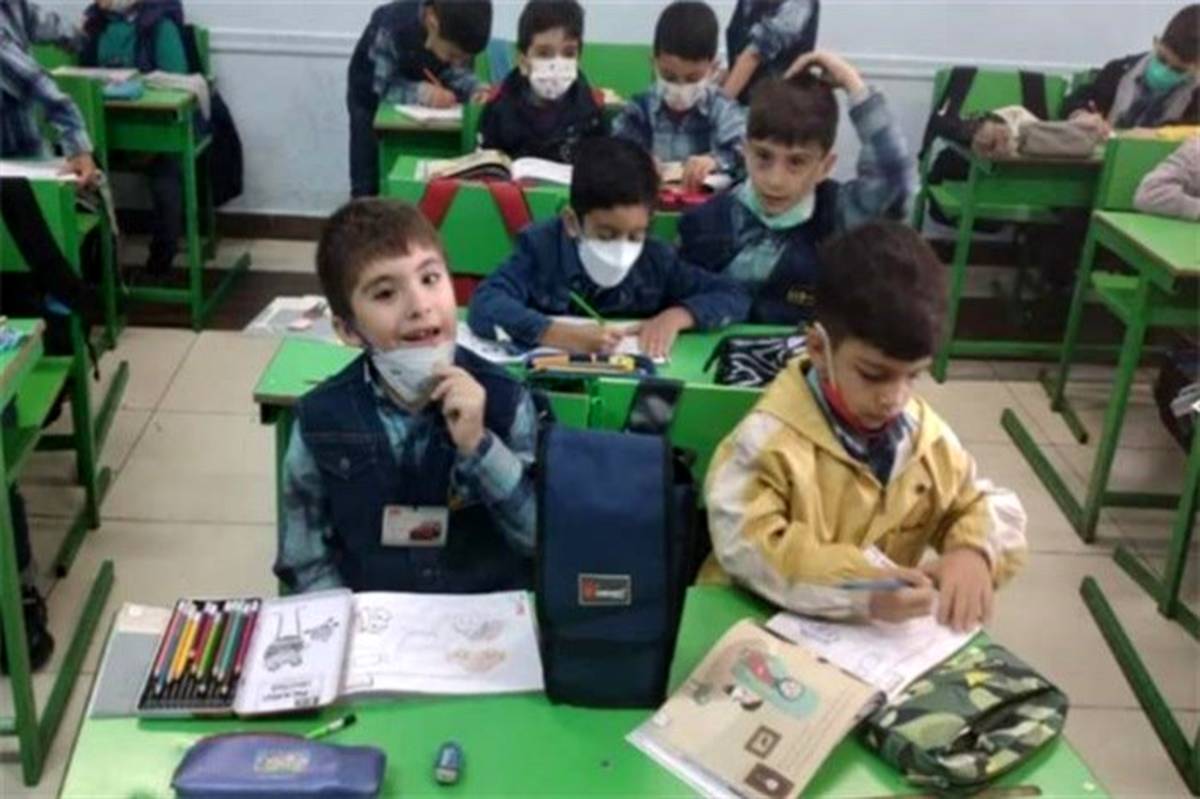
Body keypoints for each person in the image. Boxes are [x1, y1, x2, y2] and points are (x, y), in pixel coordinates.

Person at [702, 221, 1028, 632]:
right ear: (818, 348)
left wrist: (975, 552)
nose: (895, 398)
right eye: (874, 375)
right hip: (756, 625)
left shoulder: (925, 439)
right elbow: (748, 546)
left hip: (870, 643)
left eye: (913, 376)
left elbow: (980, 502)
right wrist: (861, 589)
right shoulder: (764, 441)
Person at [275, 198, 537, 593]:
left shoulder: (506, 401)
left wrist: (479, 446)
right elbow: (305, 561)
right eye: (385, 294)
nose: (420, 305)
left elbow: (540, 540)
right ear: (348, 330)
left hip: (482, 620)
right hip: (371, 619)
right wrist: (347, 621)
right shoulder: (320, 420)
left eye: (430, 279)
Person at [678, 51, 913, 324]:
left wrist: (852, 83)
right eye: (763, 156)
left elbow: (895, 182)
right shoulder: (705, 223)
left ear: (825, 166)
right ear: (745, 151)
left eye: (797, 162)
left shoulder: (839, 217)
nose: (775, 180)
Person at [467, 136, 750, 360]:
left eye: (635, 236)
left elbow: (734, 295)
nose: (621, 251)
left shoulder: (656, 260)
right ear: (572, 222)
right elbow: (486, 303)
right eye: (606, 236)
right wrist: (555, 333)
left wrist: (678, 316)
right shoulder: (541, 250)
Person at [346, 0, 492, 197]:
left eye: (464, 59)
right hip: (369, 96)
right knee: (367, 180)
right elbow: (382, 87)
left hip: (419, 106)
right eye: (452, 55)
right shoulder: (392, 28)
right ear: (432, 23)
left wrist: (475, 88)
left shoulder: (452, 33)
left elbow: (454, 71)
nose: (458, 63)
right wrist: (422, 93)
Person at [612, 0, 746, 191]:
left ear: (713, 68)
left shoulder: (722, 108)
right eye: (669, 76)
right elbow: (616, 150)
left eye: (692, 78)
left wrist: (714, 161)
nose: (680, 88)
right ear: (653, 63)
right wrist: (639, 161)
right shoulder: (640, 109)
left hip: (707, 206)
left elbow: (744, 153)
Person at [478, 0, 605, 163]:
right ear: (523, 62)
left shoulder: (589, 113)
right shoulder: (499, 111)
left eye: (568, 53)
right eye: (544, 54)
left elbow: (598, 167)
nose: (557, 65)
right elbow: (487, 167)